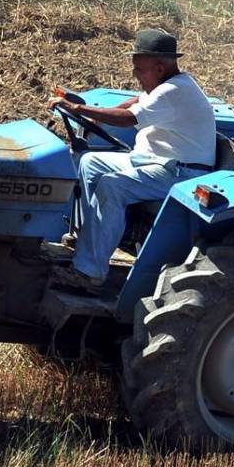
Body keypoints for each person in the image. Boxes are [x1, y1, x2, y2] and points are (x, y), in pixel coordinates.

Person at [46, 28, 216, 293]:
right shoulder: (164, 84)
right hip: (153, 162)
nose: (135, 74)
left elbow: (128, 119)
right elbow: (137, 101)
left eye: (139, 69)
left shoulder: (173, 92)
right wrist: (93, 118)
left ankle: (90, 273)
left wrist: (77, 108)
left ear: (159, 67)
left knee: (113, 185)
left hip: (181, 173)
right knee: (90, 162)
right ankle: (89, 242)